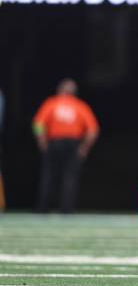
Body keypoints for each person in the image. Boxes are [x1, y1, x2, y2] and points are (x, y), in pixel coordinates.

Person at [33, 79, 99, 213]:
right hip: (72, 144)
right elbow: (93, 130)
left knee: (49, 176)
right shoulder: (80, 106)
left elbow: (37, 124)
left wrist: (42, 140)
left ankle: (43, 208)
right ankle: (66, 209)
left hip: (55, 142)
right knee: (70, 177)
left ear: (60, 90)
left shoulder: (51, 103)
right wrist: (84, 147)